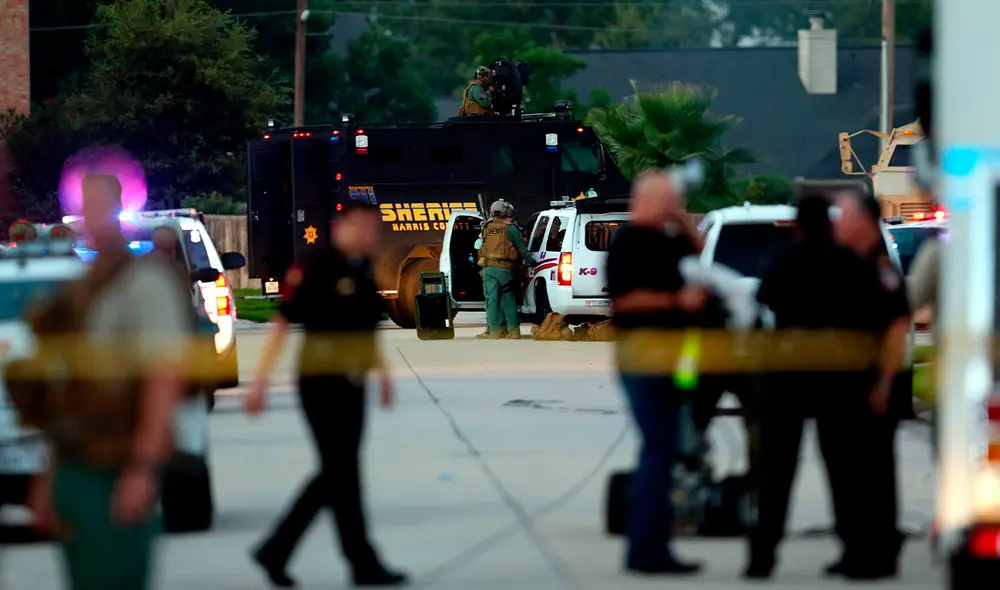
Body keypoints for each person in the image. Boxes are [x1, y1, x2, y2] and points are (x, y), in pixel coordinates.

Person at [9, 174, 190, 590]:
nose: (91, 217)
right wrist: (50, 476)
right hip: (75, 466)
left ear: (118, 210)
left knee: (116, 576)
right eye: (85, 207)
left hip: (117, 462)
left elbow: (163, 377)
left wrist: (143, 467)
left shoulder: (145, 282)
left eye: (100, 206)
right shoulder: (79, 290)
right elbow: (65, 394)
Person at [244, 200, 408, 588]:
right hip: (320, 384)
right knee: (339, 472)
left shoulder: (363, 268)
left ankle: (299, 554)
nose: (368, 235)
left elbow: (366, 331)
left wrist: (384, 376)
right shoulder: (317, 267)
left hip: (353, 384)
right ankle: (348, 559)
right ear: (340, 227)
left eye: (372, 228)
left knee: (341, 474)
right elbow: (282, 322)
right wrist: (260, 381)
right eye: (360, 227)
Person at [744, 189, 890, 580]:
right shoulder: (849, 261)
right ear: (829, 222)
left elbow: (763, 301)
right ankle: (855, 553)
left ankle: (762, 557)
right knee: (844, 470)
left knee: (776, 472)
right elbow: (870, 314)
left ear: (797, 224)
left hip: (787, 376)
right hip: (838, 376)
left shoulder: (783, 258)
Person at [606, 171, 705, 576]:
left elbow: (702, 260)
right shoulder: (628, 242)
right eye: (667, 199)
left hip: (676, 358)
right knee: (658, 450)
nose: (673, 205)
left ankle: (654, 544)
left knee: (668, 449)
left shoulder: (671, 239)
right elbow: (624, 301)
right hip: (642, 357)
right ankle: (646, 548)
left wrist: (684, 222)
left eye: (675, 199)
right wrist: (675, 300)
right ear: (646, 200)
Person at [832, 188, 912, 579]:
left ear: (863, 221)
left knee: (873, 473)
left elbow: (897, 328)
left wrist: (883, 383)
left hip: (874, 387)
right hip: (851, 386)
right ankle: (856, 549)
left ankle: (878, 551)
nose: (838, 225)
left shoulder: (880, 269)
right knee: (852, 472)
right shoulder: (853, 264)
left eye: (844, 216)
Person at [476, 199, 534, 340]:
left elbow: (481, 245)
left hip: (489, 269)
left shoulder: (486, 227)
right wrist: (533, 262)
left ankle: (493, 331)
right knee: (508, 300)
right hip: (505, 270)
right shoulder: (511, 228)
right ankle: (514, 331)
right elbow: (522, 249)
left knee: (491, 300)